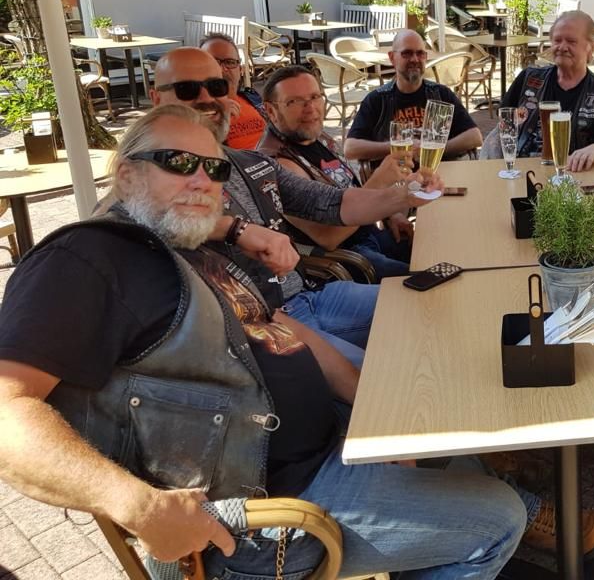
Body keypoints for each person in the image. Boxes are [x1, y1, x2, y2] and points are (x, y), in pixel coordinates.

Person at [0, 106, 527, 579]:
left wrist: (375, 407)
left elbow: (282, 326)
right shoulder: (88, 260)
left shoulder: (186, 246)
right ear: (126, 174)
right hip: (261, 520)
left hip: (325, 447)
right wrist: (137, 506)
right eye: (178, 163)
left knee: (453, 448)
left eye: (215, 169)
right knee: (499, 518)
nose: (203, 181)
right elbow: (7, 411)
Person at [149, 47, 435, 361]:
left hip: (308, 296)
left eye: (216, 87)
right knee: (382, 373)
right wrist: (235, 228)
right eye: (187, 89)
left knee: (430, 305)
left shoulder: (252, 163)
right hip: (260, 325)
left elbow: (333, 203)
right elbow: (140, 220)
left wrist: (403, 195)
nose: (206, 98)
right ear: (156, 98)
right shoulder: (147, 170)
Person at [259, 65, 412, 278]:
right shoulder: (277, 165)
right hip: (345, 259)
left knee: (438, 248)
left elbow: (350, 187)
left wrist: (390, 213)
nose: (310, 108)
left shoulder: (317, 136)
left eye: (315, 97)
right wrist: (379, 182)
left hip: (370, 232)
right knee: (423, 279)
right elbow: (328, 237)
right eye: (294, 101)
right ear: (271, 110)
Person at [501, 10, 594, 172]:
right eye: (557, 40)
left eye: (571, 41)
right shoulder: (529, 78)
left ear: (591, 47)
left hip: (575, 175)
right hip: (525, 172)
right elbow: (503, 123)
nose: (562, 47)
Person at [343, 29, 482, 165]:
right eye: (407, 53)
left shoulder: (441, 94)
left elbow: (475, 137)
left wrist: (433, 150)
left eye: (420, 53)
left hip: (437, 175)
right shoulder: (378, 100)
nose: (415, 59)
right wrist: (399, 147)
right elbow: (350, 149)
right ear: (392, 58)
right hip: (394, 177)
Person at [199, 33, 268, 150]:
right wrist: (220, 118)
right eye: (213, 62)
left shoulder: (252, 98)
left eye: (230, 62)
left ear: (240, 70)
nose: (222, 69)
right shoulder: (196, 113)